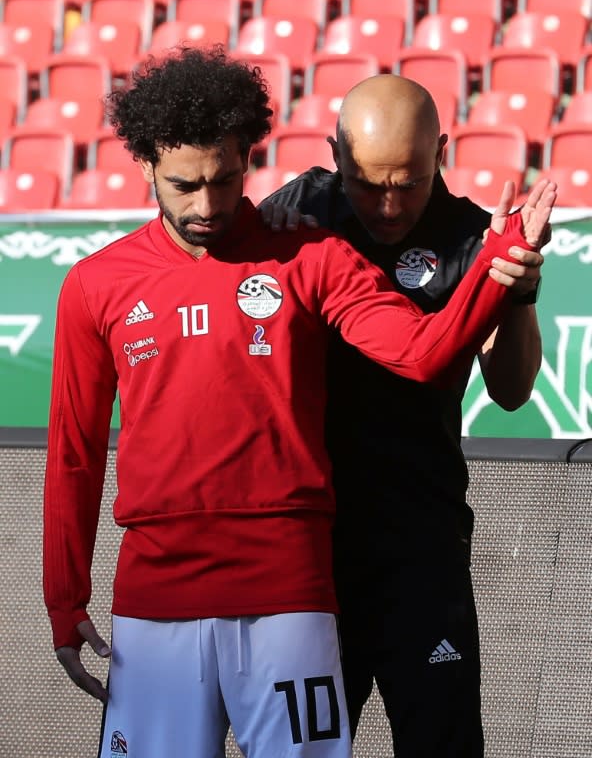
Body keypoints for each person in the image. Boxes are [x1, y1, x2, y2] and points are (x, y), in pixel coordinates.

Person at [42, 50, 555, 758]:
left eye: (224, 181)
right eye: (184, 184)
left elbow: (450, 365)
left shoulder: (344, 251)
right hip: (214, 579)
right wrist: (63, 600)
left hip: (345, 569)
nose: (207, 205)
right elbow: (74, 452)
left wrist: (506, 274)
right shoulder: (124, 276)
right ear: (144, 166)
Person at [260, 74, 547, 757]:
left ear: (442, 151)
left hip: (421, 549)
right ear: (335, 153)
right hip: (307, 554)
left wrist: (521, 297)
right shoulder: (295, 212)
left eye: (410, 182)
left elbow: (511, 391)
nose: (389, 206)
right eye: (369, 184)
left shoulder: (476, 236)